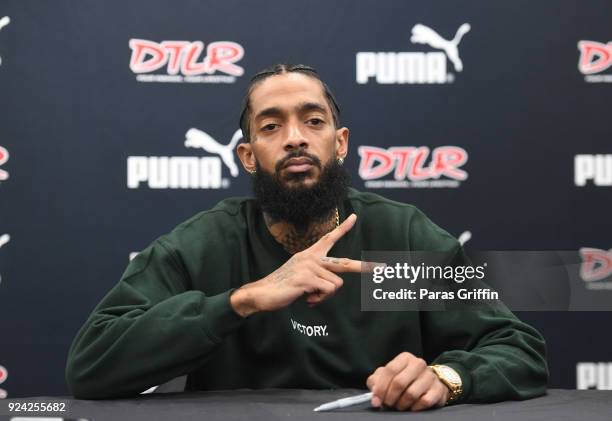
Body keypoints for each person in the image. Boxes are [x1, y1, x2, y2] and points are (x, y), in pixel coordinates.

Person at [65, 64, 548, 410]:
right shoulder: (203, 245)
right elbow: (92, 364)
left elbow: (516, 347)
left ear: (339, 145)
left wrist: (448, 377)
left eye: (313, 121)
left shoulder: (397, 236)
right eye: (272, 126)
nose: (295, 137)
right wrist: (241, 300)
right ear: (249, 156)